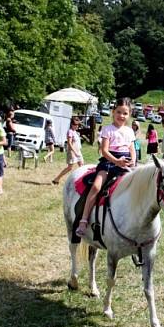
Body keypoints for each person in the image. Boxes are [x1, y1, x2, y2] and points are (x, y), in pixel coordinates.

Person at [75, 98, 135, 236]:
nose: (121, 116)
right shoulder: (108, 130)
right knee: (96, 186)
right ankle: (84, 220)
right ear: (113, 112)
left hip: (125, 161)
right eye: (119, 112)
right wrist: (116, 161)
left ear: (129, 115)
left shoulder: (130, 131)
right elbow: (104, 150)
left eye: (125, 113)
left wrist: (132, 161)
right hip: (109, 162)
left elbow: (132, 149)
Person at [52, 117, 84, 185]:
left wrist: (77, 151)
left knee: (82, 166)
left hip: (78, 151)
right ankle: (56, 179)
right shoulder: (70, 131)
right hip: (72, 152)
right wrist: (74, 152)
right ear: (72, 125)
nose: (77, 126)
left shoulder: (75, 132)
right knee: (69, 168)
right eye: (75, 125)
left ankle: (81, 182)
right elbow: (69, 143)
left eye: (78, 125)